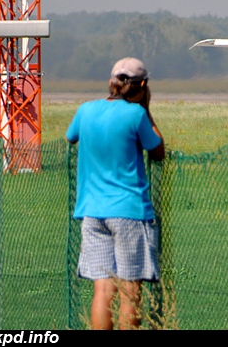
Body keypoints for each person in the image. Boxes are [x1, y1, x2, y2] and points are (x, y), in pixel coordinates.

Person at [66, 57, 165, 330]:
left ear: (110, 82)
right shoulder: (135, 115)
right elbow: (157, 152)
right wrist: (145, 109)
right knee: (130, 290)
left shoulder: (85, 110)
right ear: (142, 85)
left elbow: (70, 136)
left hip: (92, 212)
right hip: (129, 212)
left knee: (103, 291)